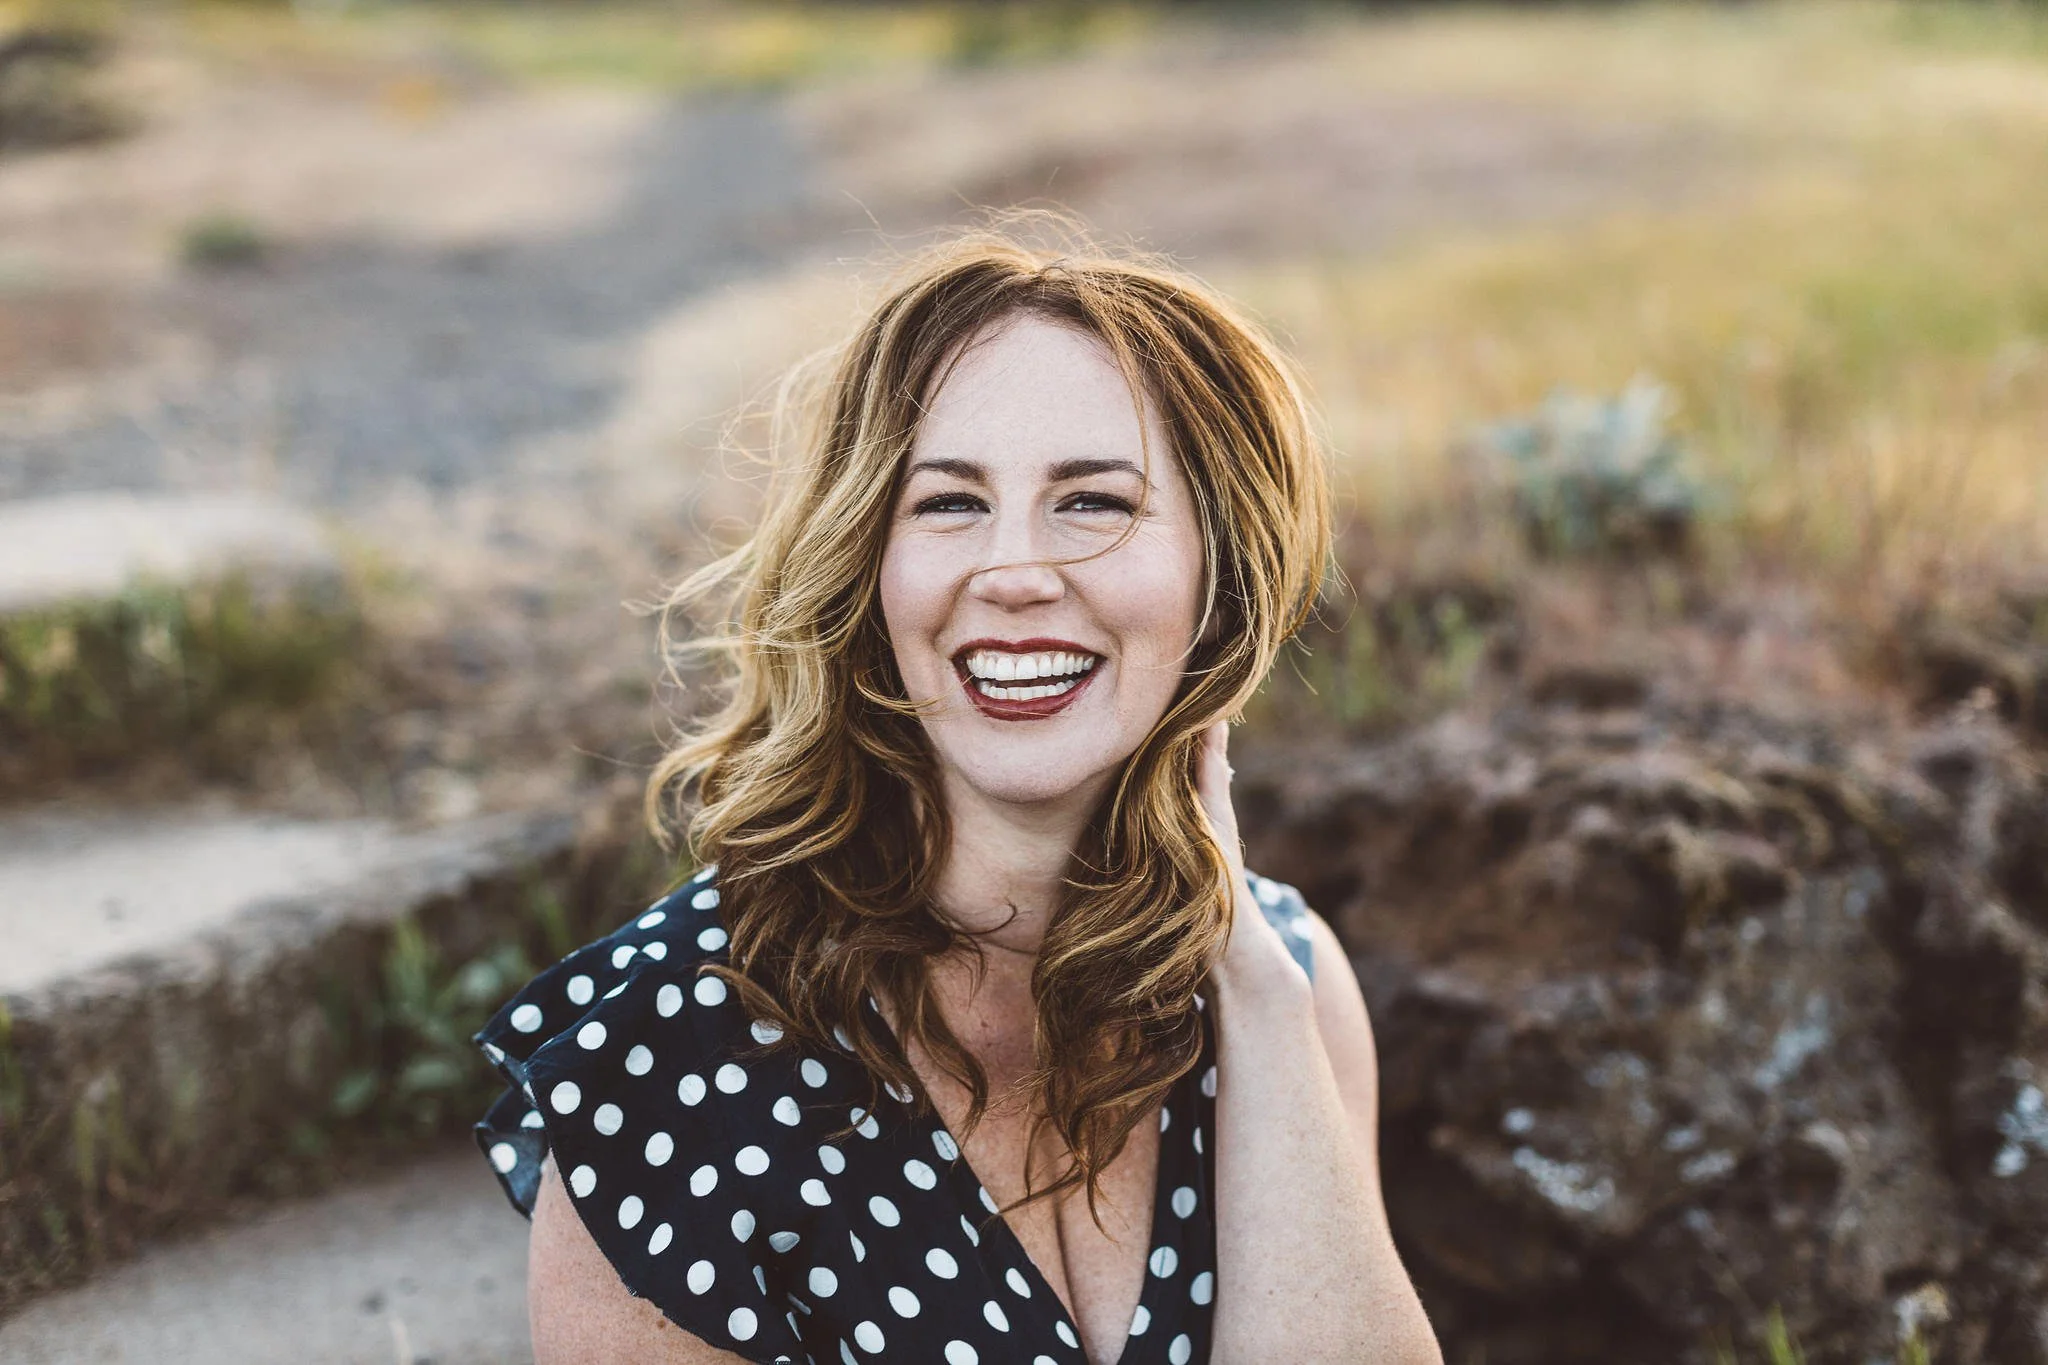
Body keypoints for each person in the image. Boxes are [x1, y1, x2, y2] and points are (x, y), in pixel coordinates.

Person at [473, 226, 1444, 1365]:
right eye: (947, 505)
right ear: (867, 572)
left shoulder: (1287, 983)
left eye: (1092, 502)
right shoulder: (665, 1061)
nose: (1017, 572)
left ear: (1214, 580)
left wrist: (1258, 997)